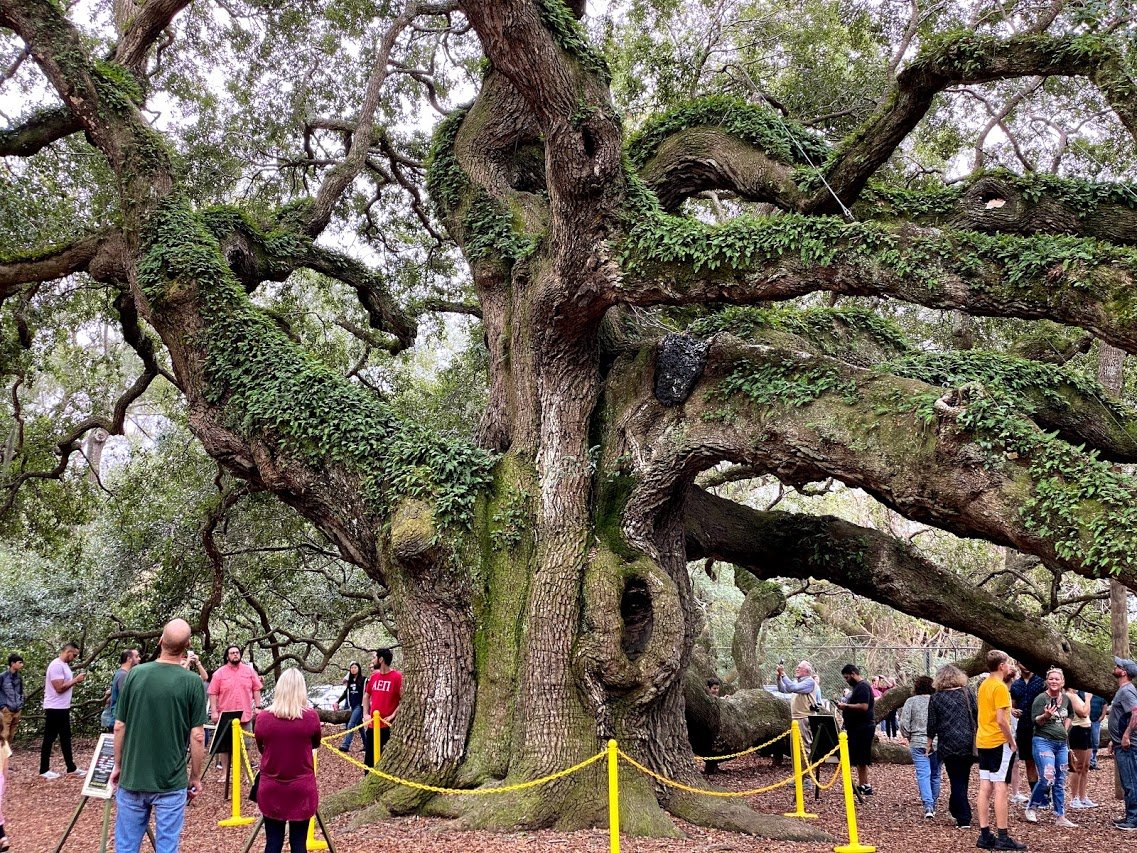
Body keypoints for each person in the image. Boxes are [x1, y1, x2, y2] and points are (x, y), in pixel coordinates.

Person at [111, 618, 207, 853]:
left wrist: (118, 764)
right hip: (170, 780)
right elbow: (197, 736)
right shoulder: (192, 682)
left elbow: (119, 725)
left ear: (160, 640)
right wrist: (195, 776)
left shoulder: (135, 674)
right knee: (167, 846)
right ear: (188, 645)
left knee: (126, 845)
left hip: (133, 776)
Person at [254, 668, 322, 853]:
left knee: (273, 843)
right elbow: (316, 743)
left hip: (271, 786)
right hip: (302, 787)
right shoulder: (311, 717)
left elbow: (261, 746)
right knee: (299, 844)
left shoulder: (263, 718)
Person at [975, 650, 1026, 850]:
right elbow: (1001, 720)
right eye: (1009, 663)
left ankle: (985, 834)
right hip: (998, 741)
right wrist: (1011, 741)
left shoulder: (984, 685)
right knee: (1001, 788)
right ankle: (1003, 836)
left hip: (983, 740)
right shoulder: (1000, 687)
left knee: (984, 786)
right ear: (1002, 665)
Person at [1022, 667, 1079, 828]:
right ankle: (1032, 807)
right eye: (1051, 679)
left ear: (1063, 682)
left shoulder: (1066, 699)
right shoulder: (1041, 699)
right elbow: (1035, 721)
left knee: (1060, 780)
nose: (1054, 681)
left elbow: (1070, 715)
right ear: (1047, 681)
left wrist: (1065, 729)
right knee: (1048, 777)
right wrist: (1045, 716)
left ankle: (1060, 815)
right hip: (1043, 741)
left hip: (1061, 744)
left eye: (1057, 679)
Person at [927, 664, 976, 829]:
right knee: (963, 777)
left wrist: (928, 743)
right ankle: (955, 809)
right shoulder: (967, 693)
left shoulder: (936, 698)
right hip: (968, 741)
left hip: (947, 743)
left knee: (956, 779)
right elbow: (976, 713)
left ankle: (964, 817)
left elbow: (932, 724)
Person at [208, 645, 263, 782]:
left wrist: (258, 706)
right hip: (225, 716)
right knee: (225, 747)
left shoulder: (249, 671)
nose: (235, 655)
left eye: (237, 653)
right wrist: (214, 711)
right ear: (227, 656)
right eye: (232, 653)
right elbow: (213, 693)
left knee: (247, 746)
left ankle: (246, 774)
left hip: (245, 715)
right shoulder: (219, 673)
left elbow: (257, 688)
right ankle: (225, 774)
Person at [40, 641, 86, 779]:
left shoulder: (65, 666)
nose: (75, 658)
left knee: (66, 738)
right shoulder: (55, 665)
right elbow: (59, 688)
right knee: (49, 738)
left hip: (63, 708)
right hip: (54, 708)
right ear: (68, 652)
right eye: (75, 655)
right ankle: (44, 769)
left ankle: (71, 767)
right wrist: (76, 680)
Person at [899, 675, 941, 818]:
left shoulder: (911, 702)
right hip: (937, 742)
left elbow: (904, 723)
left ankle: (928, 805)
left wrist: (908, 735)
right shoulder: (937, 700)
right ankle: (933, 804)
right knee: (935, 774)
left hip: (917, 742)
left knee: (923, 774)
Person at [835, 663, 874, 795]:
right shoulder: (857, 687)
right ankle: (863, 784)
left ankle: (865, 784)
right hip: (856, 727)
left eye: (847, 677)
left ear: (853, 674)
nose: (846, 680)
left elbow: (863, 706)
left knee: (861, 756)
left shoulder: (863, 687)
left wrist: (846, 706)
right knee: (858, 757)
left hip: (863, 727)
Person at [1109, 656, 1137, 831]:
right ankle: (1130, 815)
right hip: (1121, 743)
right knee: (1129, 781)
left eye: (1118, 666)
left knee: (1131, 782)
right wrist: (1115, 740)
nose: (1115, 667)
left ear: (1123, 672)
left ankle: (1134, 819)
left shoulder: (1127, 691)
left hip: (1129, 746)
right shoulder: (1124, 690)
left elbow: (1135, 714)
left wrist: (1126, 736)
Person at [1010, 666, 1046, 804]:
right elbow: (1013, 705)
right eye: (1022, 663)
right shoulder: (1016, 685)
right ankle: (1037, 797)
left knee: (1044, 762)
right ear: (1018, 664)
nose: (1025, 666)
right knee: (1029, 763)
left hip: (1041, 727)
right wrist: (1013, 711)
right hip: (1024, 728)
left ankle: (1046, 794)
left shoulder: (1041, 682)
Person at [362, 648, 402, 767]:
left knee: (384, 760)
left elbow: (403, 700)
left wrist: (393, 715)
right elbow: (366, 696)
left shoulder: (397, 677)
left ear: (381, 659)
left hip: (387, 726)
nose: (372, 660)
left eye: (374, 657)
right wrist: (365, 714)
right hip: (372, 725)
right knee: (369, 760)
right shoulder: (374, 677)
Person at [776, 660, 822, 762]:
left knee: (803, 748)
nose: (796, 669)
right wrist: (779, 677)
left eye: (799, 667)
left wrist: (783, 674)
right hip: (796, 719)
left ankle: (804, 776)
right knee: (795, 748)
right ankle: (798, 775)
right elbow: (783, 689)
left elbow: (792, 688)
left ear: (806, 671)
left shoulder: (809, 682)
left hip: (804, 718)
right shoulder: (798, 682)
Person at [1067, 688, 1095, 810]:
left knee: (1086, 766)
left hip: (1086, 730)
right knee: (1077, 766)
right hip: (1078, 731)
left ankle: (1083, 796)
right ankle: (1074, 798)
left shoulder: (1076, 696)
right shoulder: (1070, 696)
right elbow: (1083, 713)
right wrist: (1088, 699)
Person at [102, 649, 141, 731]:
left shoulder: (121, 673)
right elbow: (125, 697)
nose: (139, 659)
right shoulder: (123, 675)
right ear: (129, 659)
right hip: (119, 717)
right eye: (136, 656)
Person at [337, 662, 366, 752]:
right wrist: (338, 701)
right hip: (353, 706)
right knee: (360, 727)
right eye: (351, 668)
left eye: (355, 667)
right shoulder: (350, 681)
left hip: (359, 706)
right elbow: (346, 693)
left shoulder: (364, 680)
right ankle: (367, 744)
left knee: (351, 724)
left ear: (359, 669)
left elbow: (368, 693)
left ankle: (345, 745)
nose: (353, 669)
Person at [0, 654, 24, 746]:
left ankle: (7, 753)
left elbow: (21, 692)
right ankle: (2, 754)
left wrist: (21, 704)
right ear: (12, 663)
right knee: (4, 733)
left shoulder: (19, 677)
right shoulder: (2, 676)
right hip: (6, 710)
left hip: (17, 709)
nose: (22, 665)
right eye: (20, 662)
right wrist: (2, 706)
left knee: (11, 733)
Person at [1089, 692, 1107, 769]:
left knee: (1095, 741)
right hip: (1085, 721)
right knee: (1086, 741)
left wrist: (1101, 717)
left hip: (1096, 721)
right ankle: (1087, 762)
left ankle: (1093, 761)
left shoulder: (1100, 694)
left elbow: (1105, 705)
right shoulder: (1082, 693)